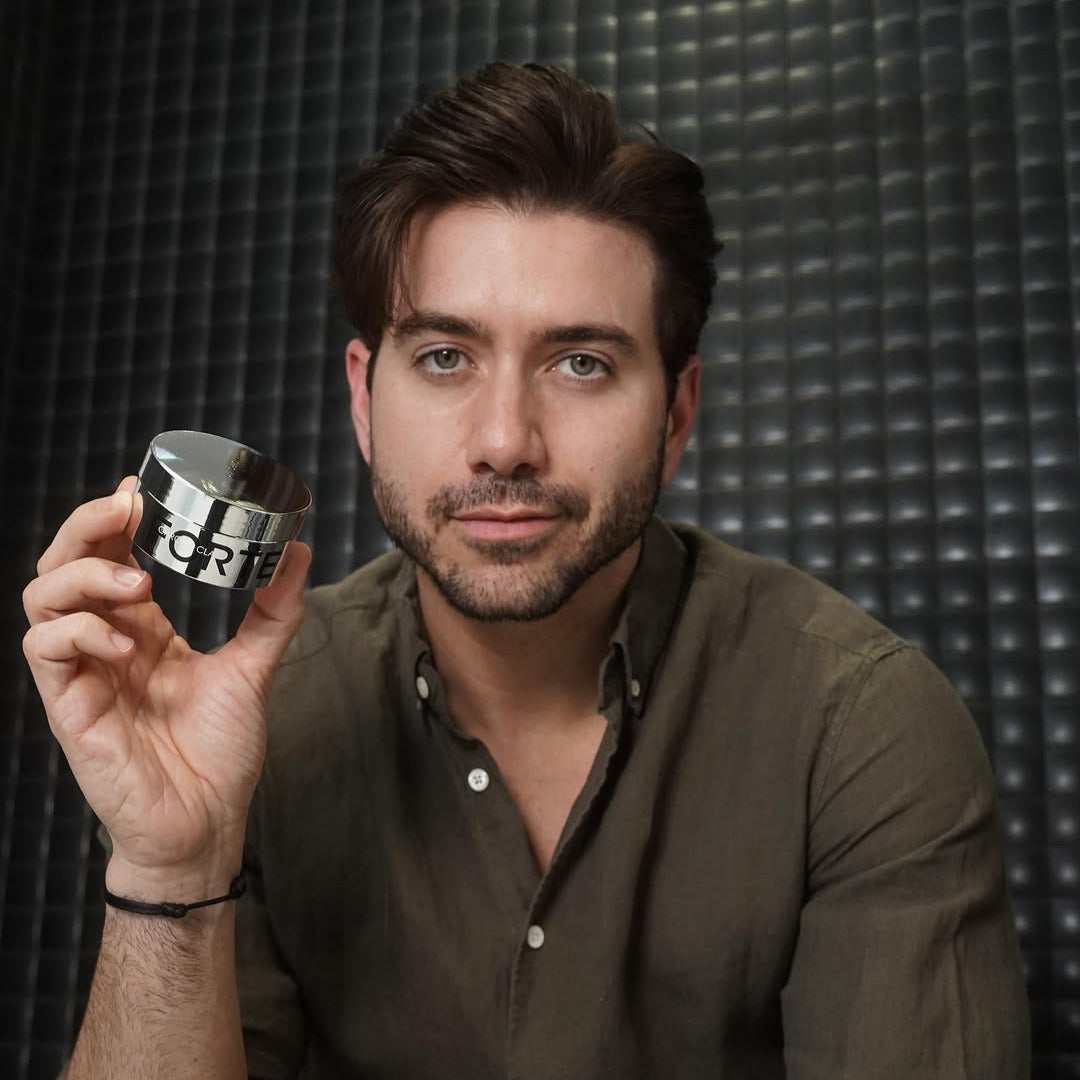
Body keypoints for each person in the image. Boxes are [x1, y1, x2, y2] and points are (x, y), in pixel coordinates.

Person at [23, 62, 1029, 1080]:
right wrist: (173, 867)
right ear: (367, 402)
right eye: (446, 358)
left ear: (676, 416)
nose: (505, 441)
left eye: (581, 363)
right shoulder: (269, 718)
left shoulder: (859, 728)